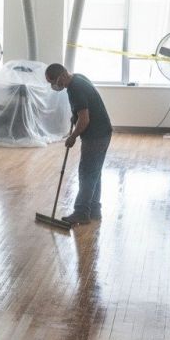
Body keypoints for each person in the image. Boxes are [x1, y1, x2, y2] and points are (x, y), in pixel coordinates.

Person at [44, 63, 112, 226]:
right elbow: (84, 109)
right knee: (94, 172)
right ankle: (94, 210)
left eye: (54, 82)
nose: (54, 86)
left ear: (62, 75)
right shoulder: (78, 78)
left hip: (95, 135)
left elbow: (85, 119)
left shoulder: (75, 89)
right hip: (103, 132)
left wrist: (73, 136)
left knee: (86, 173)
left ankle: (81, 213)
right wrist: (75, 115)